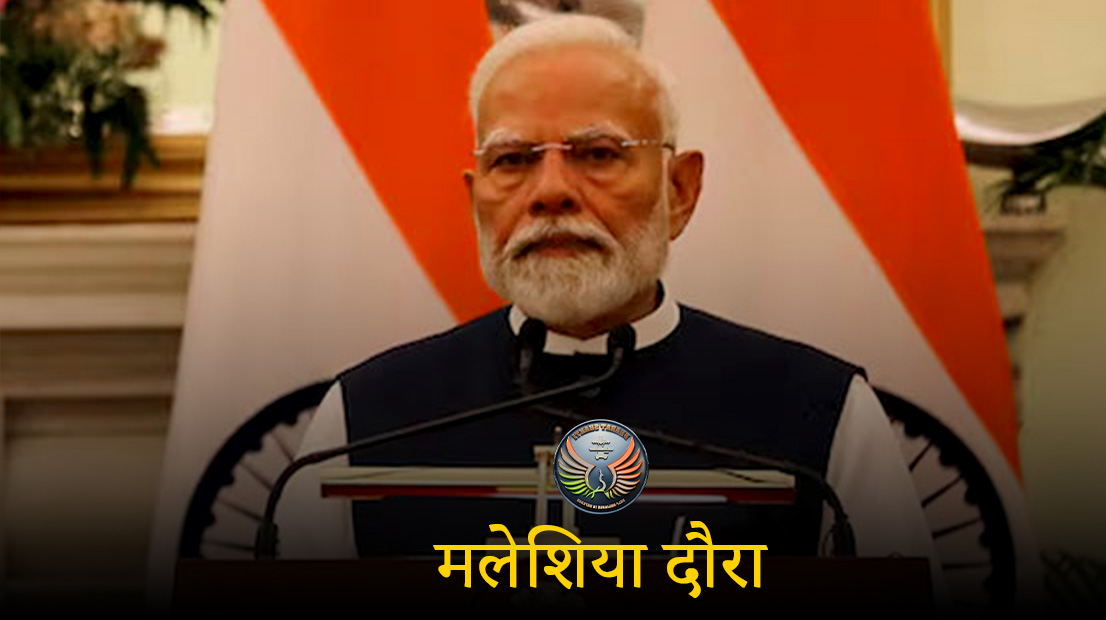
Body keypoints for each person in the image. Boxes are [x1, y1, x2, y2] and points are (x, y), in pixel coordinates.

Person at [279, 15, 940, 580]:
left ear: (679, 190)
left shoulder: (822, 415)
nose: (550, 192)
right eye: (513, 160)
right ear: (474, 200)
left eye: (597, 153)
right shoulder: (362, 423)